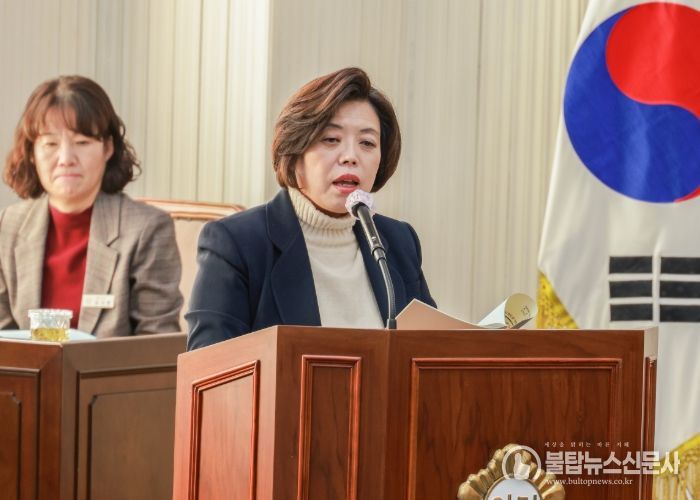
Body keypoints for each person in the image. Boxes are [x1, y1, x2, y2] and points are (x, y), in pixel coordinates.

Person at [187, 67, 435, 350]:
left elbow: (431, 354)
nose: (351, 157)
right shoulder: (238, 243)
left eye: (367, 143)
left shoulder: (398, 242)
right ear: (295, 152)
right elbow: (207, 365)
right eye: (331, 139)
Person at [0, 75, 183, 336]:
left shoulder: (147, 229)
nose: (66, 158)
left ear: (108, 148)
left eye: (82, 142)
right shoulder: (7, 227)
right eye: (50, 143)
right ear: (31, 152)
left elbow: (157, 344)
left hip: (114, 366)